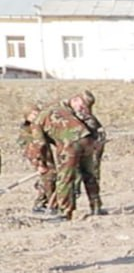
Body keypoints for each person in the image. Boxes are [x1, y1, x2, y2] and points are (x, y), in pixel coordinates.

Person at [33, 92, 98, 220]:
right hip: (86, 140)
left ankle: (65, 212)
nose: (82, 108)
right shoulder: (67, 111)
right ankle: (96, 207)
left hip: (70, 145)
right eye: (82, 105)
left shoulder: (38, 120)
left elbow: (39, 144)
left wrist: (41, 164)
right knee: (89, 175)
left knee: (65, 179)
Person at [72, 90, 108, 215]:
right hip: (81, 150)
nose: (82, 108)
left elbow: (99, 137)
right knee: (80, 179)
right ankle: (72, 207)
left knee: (87, 178)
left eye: (85, 105)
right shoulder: (74, 115)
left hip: (87, 151)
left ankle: (94, 206)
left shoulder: (86, 117)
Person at [17, 103, 55, 213]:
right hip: (38, 156)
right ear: (27, 116)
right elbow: (34, 148)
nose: (37, 115)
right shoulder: (29, 129)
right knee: (48, 178)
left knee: (49, 177)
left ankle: (43, 202)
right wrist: (40, 164)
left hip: (45, 155)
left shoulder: (37, 125)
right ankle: (45, 204)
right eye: (34, 113)